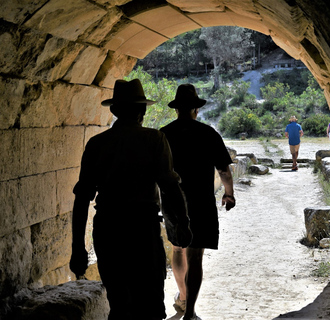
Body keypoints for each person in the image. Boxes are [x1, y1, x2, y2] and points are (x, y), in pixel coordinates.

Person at [69, 79, 191, 320]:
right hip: (142, 231)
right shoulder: (155, 140)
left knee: (119, 302)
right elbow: (170, 187)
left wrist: (77, 249)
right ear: (142, 111)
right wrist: (183, 223)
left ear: (114, 111)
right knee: (150, 303)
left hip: (108, 230)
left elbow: (82, 198)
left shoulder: (96, 144)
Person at [160, 84, 236, 320]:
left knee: (177, 247)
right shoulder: (208, 133)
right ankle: (190, 312)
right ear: (196, 109)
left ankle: (182, 297)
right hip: (201, 202)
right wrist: (229, 193)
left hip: (173, 202)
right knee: (195, 255)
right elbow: (223, 169)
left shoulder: (164, 134)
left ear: (176, 110)